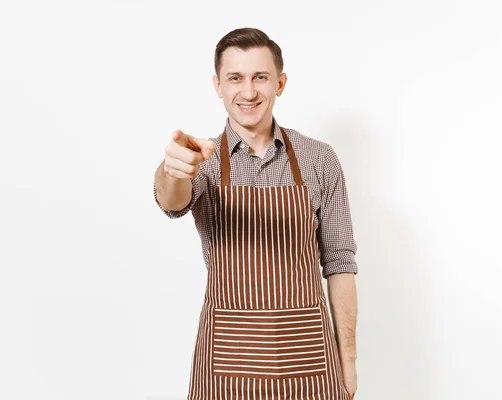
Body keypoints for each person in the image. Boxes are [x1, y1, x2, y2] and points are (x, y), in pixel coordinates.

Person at [153, 27, 359, 400]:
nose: (248, 92)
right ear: (218, 85)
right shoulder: (204, 159)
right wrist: (172, 170)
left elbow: (340, 262)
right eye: (235, 78)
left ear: (279, 83)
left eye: (260, 77)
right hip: (227, 365)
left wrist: (349, 362)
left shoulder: (319, 159)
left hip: (308, 359)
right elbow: (173, 202)